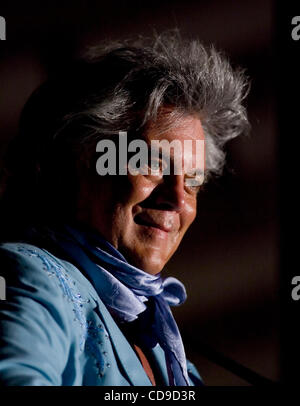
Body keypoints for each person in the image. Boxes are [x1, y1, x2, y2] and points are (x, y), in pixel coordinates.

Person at [0, 33, 249, 386]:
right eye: (152, 165)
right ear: (79, 163)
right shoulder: (33, 276)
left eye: (193, 181)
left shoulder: (164, 345)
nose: (178, 200)